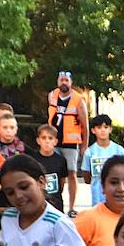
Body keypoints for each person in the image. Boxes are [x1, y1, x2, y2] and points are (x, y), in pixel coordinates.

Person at [47, 71, 88, 210]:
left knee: (71, 173)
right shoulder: (52, 95)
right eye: (61, 80)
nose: (64, 83)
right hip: (53, 141)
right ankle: (56, 203)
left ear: (71, 83)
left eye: (66, 80)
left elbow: (85, 124)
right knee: (56, 173)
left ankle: (71, 206)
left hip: (70, 142)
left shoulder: (78, 99)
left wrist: (84, 145)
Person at [80, 114, 124, 207]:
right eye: (99, 127)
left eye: (106, 127)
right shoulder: (90, 152)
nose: (103, 130)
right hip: (97, 195)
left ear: (110, 129)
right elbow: (86, 175)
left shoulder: (119, 150)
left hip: (116, 193)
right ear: (93, 130)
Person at [27, 124, 71, 212]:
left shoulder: (61, 160)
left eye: (50, 138)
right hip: (37, 203)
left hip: (56, 204)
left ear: (55, 141)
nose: (47, 141)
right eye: (43, 138)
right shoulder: (32, 159)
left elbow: (61, 183)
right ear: (38, 140)